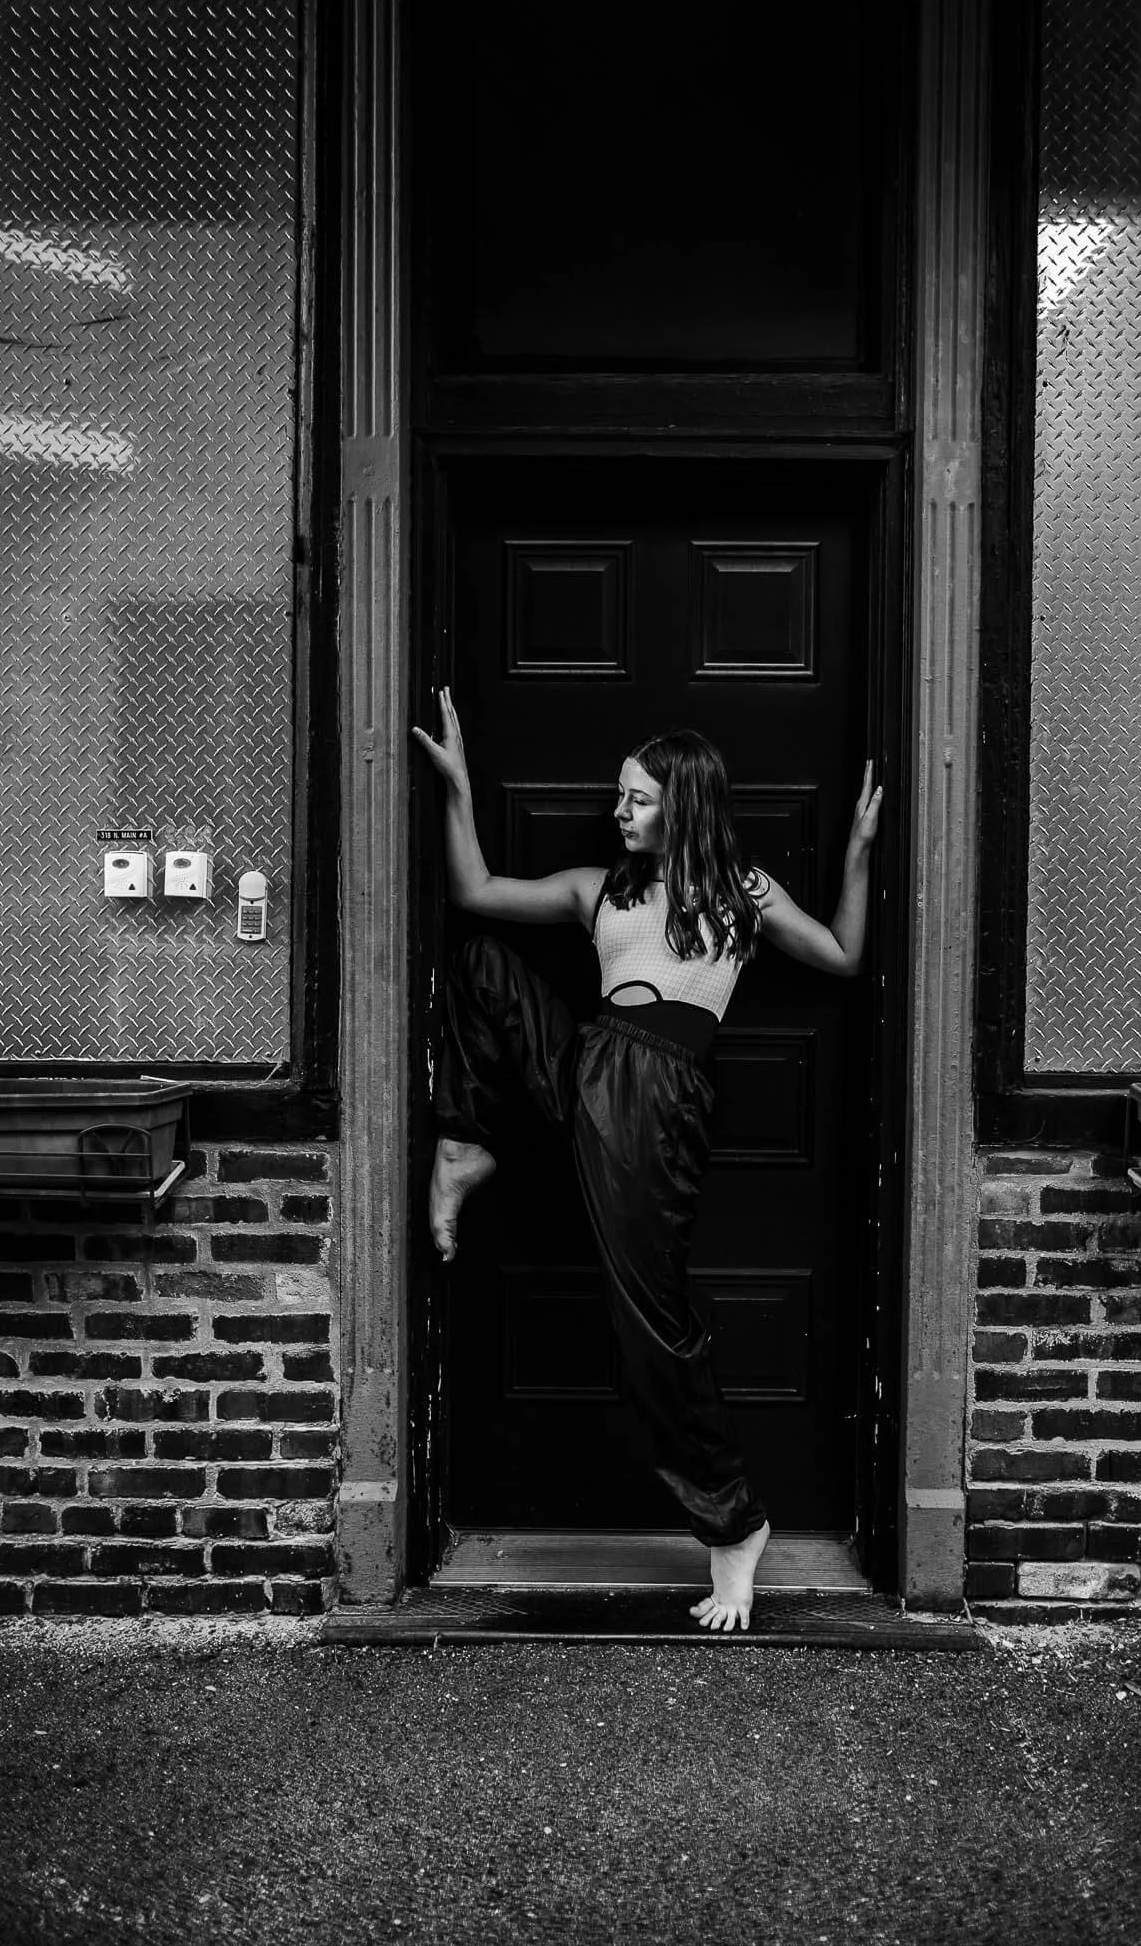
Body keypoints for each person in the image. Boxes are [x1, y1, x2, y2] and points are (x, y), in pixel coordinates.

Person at [412, 689, 882, 1632]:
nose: (616, 811)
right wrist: (458, 788)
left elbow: (838, 955)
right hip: (590, 1061)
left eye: (634, 799)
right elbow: (477, 891)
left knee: (651, 1325)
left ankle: (733, 1525)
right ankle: (464, 1146)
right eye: (618, 797)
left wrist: (858, 858)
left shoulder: (742, 893)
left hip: (660, 1100)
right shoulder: (599, 888)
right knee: (478, 962)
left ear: (683, 802)